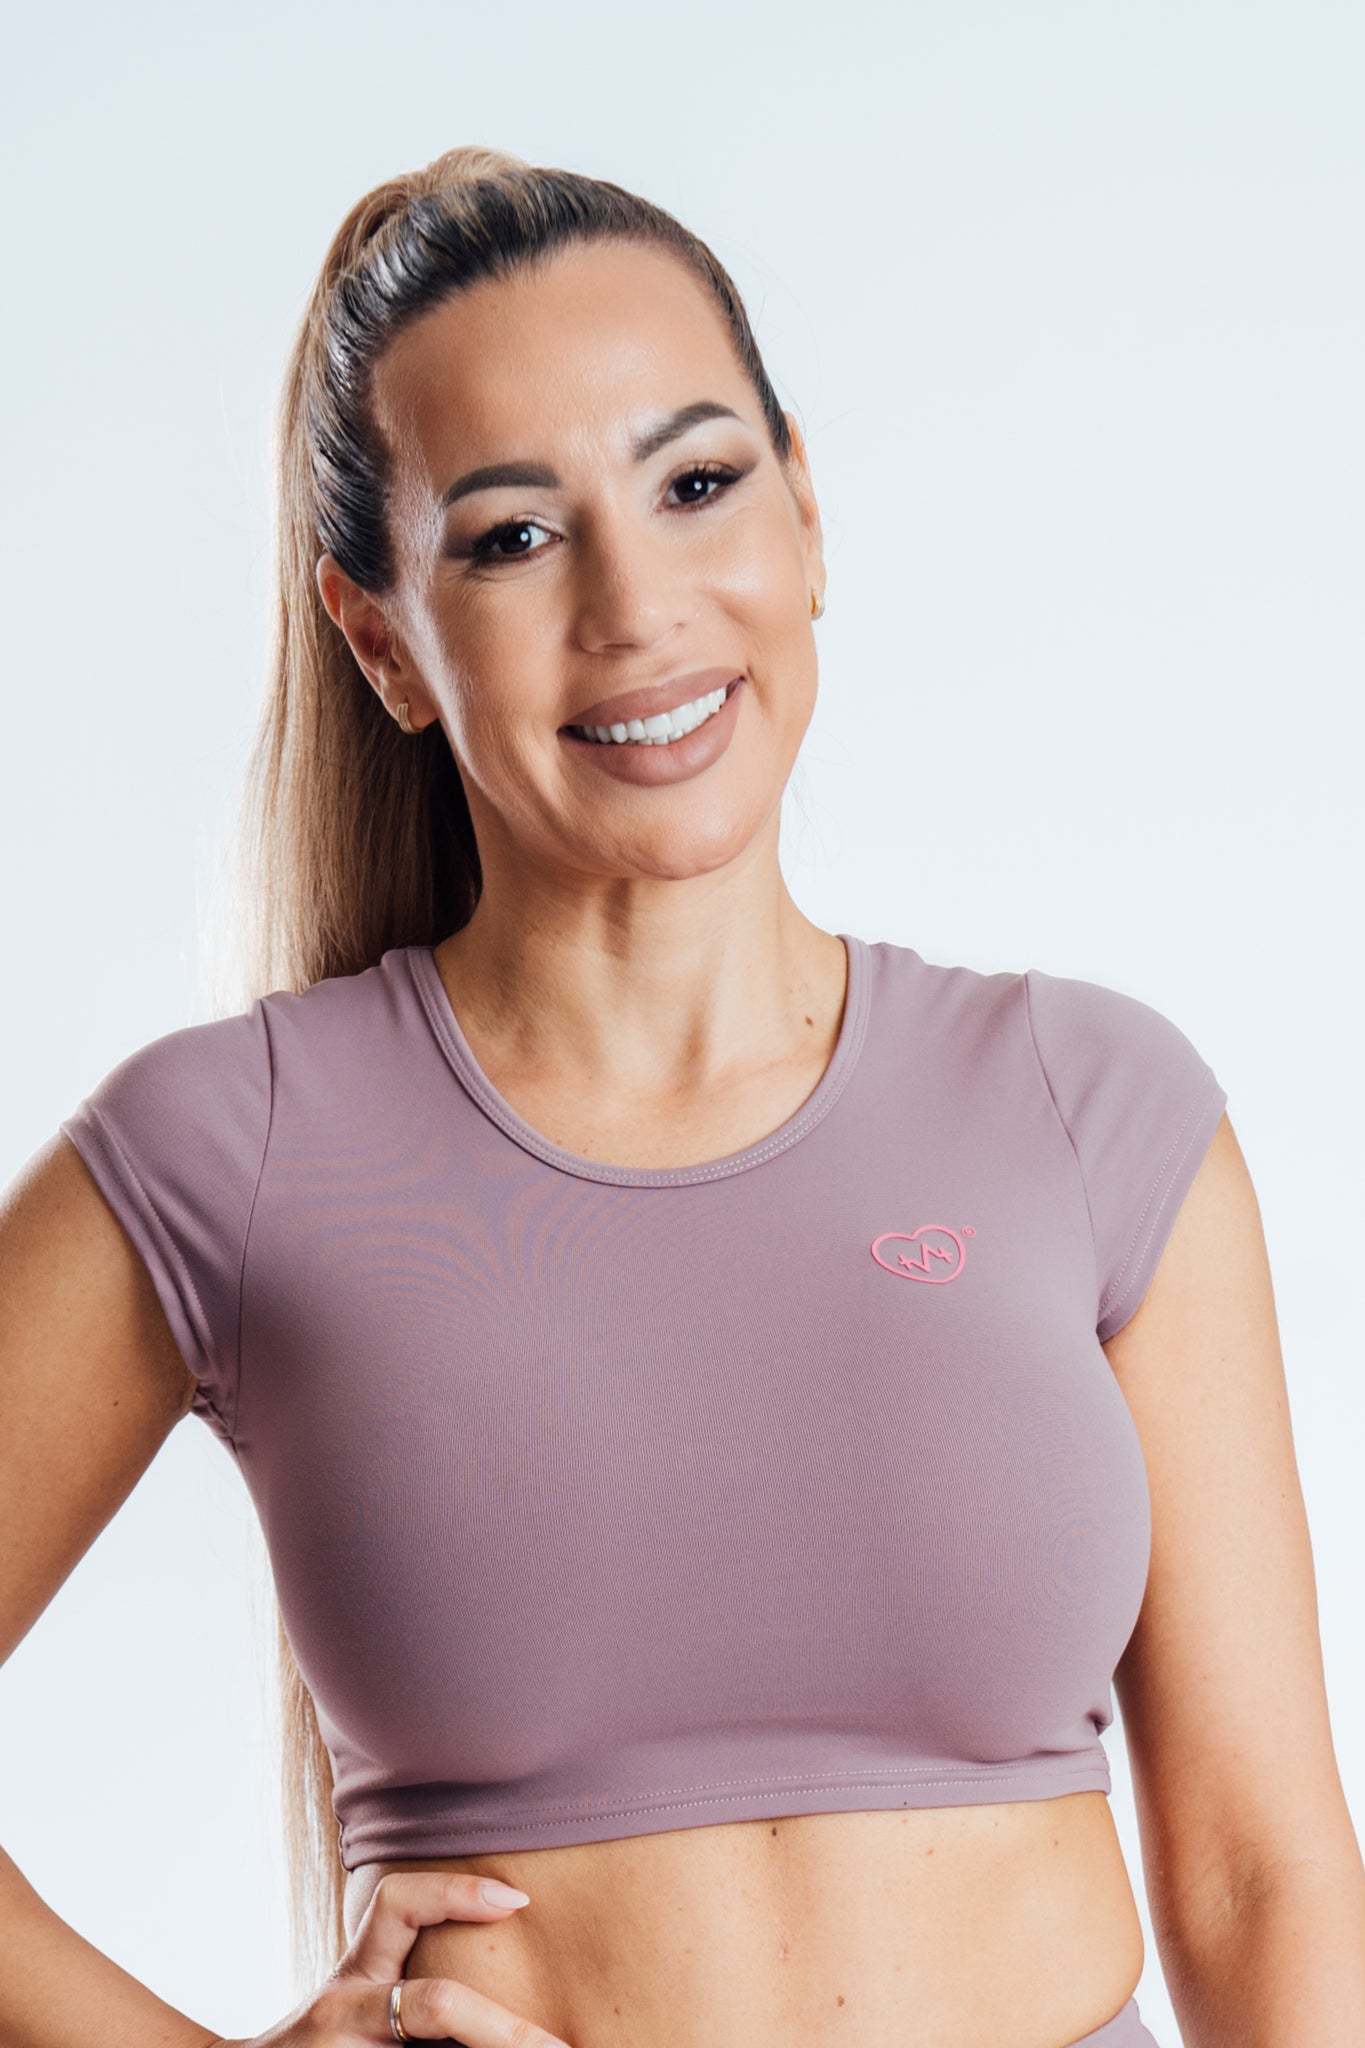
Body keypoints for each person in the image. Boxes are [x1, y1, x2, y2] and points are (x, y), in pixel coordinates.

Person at [2, 144, 1361, 2048]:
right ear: (382, 640)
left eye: (697, 484)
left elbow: (1254, 1875)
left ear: (805, 514)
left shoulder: (1089, 1106)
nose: (635, 605)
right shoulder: (232, 1149)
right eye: (511, 537)